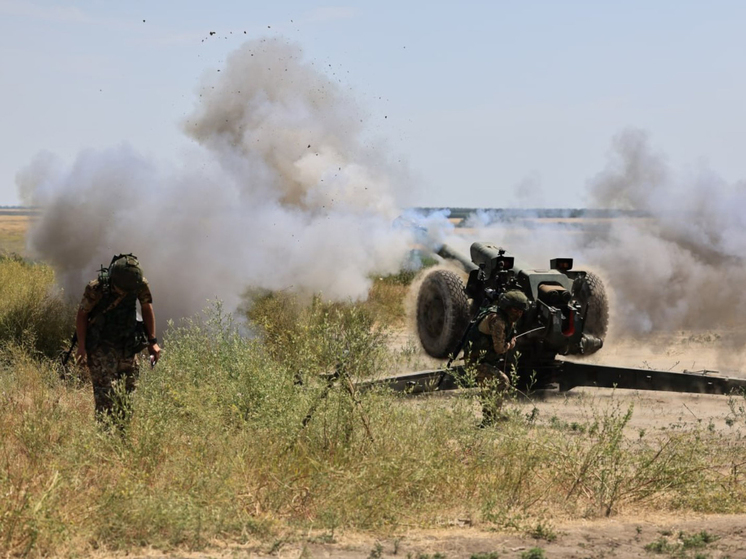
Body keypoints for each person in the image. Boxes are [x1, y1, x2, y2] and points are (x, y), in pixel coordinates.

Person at [75, 254, 161, 424]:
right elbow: (82, 315)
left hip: (127, 345)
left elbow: (146, 307)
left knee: (128, 396)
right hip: (101, 346)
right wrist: (82, 347)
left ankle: (122, 437)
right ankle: (105, 441)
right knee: (105, 398)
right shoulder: (97, 288)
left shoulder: (138, 283)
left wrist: (153, 342)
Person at [464, 289, 529, 425]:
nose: (519, 314)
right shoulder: (498, 321)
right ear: (507, 308)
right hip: (475, 362)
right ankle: (490, 420)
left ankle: (490, 418)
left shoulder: (507, 319)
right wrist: (510, 345)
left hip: (485, 360)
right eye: (516, 310)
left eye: (521, 311)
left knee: (490, 389)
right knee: (502, 381)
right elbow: (499, 349)